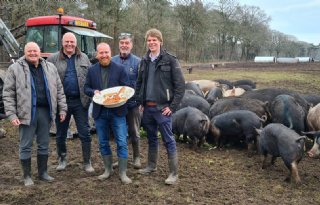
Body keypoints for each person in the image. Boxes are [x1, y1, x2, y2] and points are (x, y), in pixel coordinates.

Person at [3, 42, 67, 186]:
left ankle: (43, 173)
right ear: (25, 53)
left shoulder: (50, 68)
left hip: (46, 112)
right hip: (26, 113)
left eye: (35, 51)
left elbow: (59, 91)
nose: (33, 53)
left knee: (43, 144)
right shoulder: (15, 69)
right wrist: (12, 115)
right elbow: (8, 93)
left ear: (40, 52)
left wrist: (63, 109)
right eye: (29, 51)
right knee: (25, 145)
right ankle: (26, 176)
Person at [135, 28, 185, 185]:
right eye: (149, 40)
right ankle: (151, 165)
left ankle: (173, 173)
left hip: (162, 108)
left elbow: (180, 86)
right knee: (151, 138)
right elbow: (139, 83)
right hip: (148, 108)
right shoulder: (144, 61)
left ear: (160, 42)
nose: (151, 43)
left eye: (154, 40)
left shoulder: (170, 60)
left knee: (168, 140)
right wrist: (140, 101)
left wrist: (172, 107)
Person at [84, 42, 132, 184]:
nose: (104, 55)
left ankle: (123, 173)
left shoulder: (120, 69)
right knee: (103, 142)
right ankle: (108, 169)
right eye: (101, 53)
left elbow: (127, 88)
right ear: (97, 54)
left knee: (122, 142)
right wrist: (93, 92)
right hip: (100, 112)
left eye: (106, 52)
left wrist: (119, 95)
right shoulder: (92, 70)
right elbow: (86, 87)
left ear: (110, 53)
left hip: (117, 111)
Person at [47, 32, 94, 173]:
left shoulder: (84, 58)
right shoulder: (52, 59)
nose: (69, 44)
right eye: (66, 42)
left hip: (81, 102)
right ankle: (62, 159)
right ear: (62, 43)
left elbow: (91, 77)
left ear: (76, 43)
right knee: (60, 133)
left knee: (85, 133)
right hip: (62, 103)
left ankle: (87, 162)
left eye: (72, 42)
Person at [112, 32, 142, 169]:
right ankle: (121, 157)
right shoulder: (112, 61)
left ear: (131, 45)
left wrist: (141, 101)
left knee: (134, 131)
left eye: (127, 43)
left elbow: (142, 83)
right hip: (117, 104)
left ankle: (136, 157)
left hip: (132, 104)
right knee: (119, 132)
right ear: (119, 45)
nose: (124, 45)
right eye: (122, 43)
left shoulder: (138, 62)